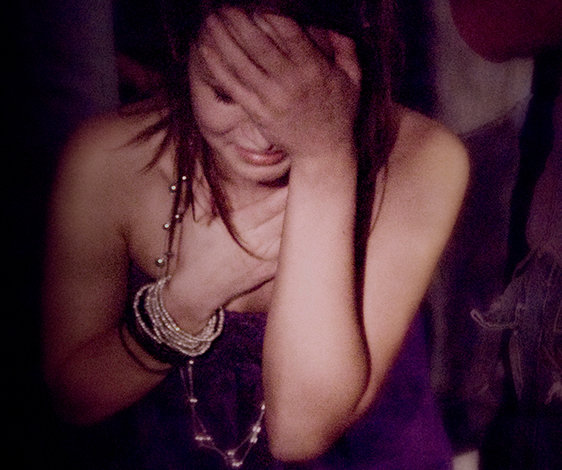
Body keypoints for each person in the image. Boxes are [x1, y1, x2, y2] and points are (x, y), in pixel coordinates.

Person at [41, 0, 468, 468]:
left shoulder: (419, 156)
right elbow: (73, 398)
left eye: (301, 98)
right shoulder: (112, 157)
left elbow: (300, 432)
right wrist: (186, 302)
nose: (262, 136)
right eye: (226, 94)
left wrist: (324, 156)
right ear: (186, 54)